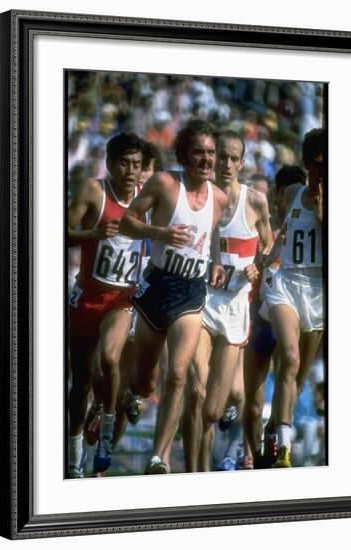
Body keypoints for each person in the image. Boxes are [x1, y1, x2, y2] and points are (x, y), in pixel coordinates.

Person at [119, 119, 228, 474]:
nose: (207, 159)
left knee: (179, 374)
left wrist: (215, 264)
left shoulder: (219, 198)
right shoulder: (165, 183)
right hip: (158, 285)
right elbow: (126, 223)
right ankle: (131, 392)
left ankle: (158, 456)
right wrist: (161, 232)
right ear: (184, 154)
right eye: (199, 152)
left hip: (192, 291)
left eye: (211, 152)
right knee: (146, 379)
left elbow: (211, 241)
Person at [183, 129, 272, 472]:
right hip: (202, 299)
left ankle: (226, 422)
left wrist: (256, 266)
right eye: (222, 156)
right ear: (212, 156)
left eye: (234, 158)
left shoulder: (255, 201)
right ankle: (193, 474)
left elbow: (267, 243)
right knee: (195, 390)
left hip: (235, 306)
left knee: (212, 411)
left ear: (242, 162)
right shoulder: (198, 197)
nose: (227, 164)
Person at [67, 132, 144, 477]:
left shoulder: (149, 200)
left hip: (122, 299)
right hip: (87, 296)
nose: (131, 171)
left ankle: (108, 428)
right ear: (111, 165)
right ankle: (73, 457)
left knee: (111, 358)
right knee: (81, 380)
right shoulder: (93, 192)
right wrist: (92, 235)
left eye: (137, 165)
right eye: (124, 164)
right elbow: (60, 232)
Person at [262, 128, 326, 468]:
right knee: (288, 358)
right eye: (316, 164)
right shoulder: (291, 193)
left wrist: (321, 212)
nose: (321, 172)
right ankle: (284, 451)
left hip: (318, 290)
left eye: (328, 165)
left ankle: (273, 433)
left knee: (298, 380)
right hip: (286, 282)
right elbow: (280, 230)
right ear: (306, 164)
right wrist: (267, 255)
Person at [242, 165, 306, 468]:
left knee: (291, 383)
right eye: (290, 194)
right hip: (259, 321)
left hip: (289, 322)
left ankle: (273, 446)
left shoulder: (307, 233)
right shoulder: (261, 230)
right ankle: (250, 455)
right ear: (280, 196)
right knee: (253, 408)